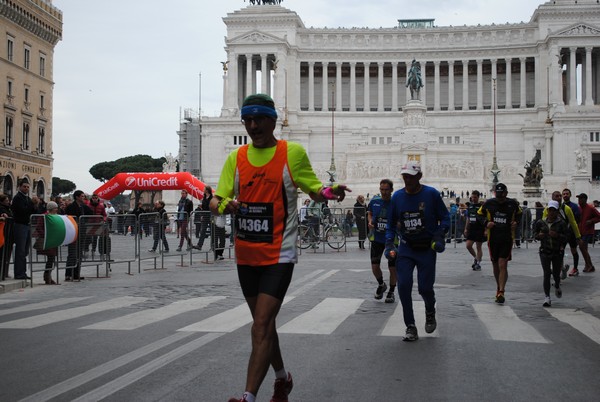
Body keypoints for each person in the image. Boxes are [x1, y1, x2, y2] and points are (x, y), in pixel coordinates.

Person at [211, 93, 350, 402]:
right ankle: (282, 378)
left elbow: (314, 189)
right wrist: (223, 204)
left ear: (273, 120)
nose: (252, 125)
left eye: (258, 119)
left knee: (260, 324)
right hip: (246, 254)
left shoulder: (292, 153)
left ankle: (248, 397)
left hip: (279, 253)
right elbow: (216, 199)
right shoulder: (236, 157)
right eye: (247, 120)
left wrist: (330, 191)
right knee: (265, 324)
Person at [385, 161, 449, 342]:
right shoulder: (397, 197)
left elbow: (445, 218)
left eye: (411, 177)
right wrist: (390, 244)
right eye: (405, 176)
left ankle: (430, 310)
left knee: (425, 288)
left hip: (426, 248)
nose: (407, 180)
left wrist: (439, 235)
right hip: (406, 248)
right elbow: (390, 224)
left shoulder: (431, 194)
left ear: (419, 177)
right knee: (403, 286)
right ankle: (410, 326)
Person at [477, 183, 522, 304]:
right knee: (495, 265)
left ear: (506, 194)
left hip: (507, 238)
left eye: (502, 196)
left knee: (503, 264)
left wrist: (516, 222)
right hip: (493, 238)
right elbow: (479, 215)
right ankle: (499, 286)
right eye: (498, 196)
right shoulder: (489, 203)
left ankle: (501, 291)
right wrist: (486, 223)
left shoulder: (512, 203)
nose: (500, 199)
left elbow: (519, 213)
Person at [533, 200, 569, 307]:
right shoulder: (541, 222)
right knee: (547, 273)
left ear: (557, 212)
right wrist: (539, 236)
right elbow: (534, 235)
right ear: (547, 210)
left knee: (556, 274)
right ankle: (547, 297)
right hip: (545, 251)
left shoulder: (561, 223)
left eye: (554, 210)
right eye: (550, 210)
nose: (551, 212)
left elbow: (566, 237)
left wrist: (557, 235)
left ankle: (557, 285)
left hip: (557, 252)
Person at [367, 179, 397, 303]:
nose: (384, 192)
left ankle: (391, 292)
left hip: (392, 240)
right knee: (374, 266)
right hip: (377, 238)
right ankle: (381, 284)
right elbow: (369, 212)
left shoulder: (396, 203)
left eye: (386, 190)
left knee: (393, 268)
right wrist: (370, 221)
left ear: (391, 190)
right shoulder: (374, 201)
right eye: (382, 190)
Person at [10, 178, 36, 280]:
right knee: (20, 250)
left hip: (27, 225)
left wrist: (35, 205)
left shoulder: (27, 198)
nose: (26, 188)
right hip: (20, 225)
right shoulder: (18, 198)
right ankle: (19, 273)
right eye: (24, 186)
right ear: (20, 187)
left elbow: (33, 210)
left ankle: (23, 272)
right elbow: (22, 210)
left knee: (25, 251)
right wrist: (31, 204)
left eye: (28, 187)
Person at [65, 190, 93, 281]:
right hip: (73, 231)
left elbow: (91, 213)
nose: (83, 198)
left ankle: (76, 273)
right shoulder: (70, 207)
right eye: (82, 196)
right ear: (77, 197)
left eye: (84, 196)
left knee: (79, 254)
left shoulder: (84, 207)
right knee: (72, 253)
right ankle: (68, 274)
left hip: (82, 231)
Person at [576, 193, 600, 273]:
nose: (579, 200)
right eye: (579, 199)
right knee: (584, 248)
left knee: (582, 247)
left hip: (588, 231)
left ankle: (589, 265)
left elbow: (599, 217)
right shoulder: (579, 208)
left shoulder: (590, 208)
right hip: (581, 231)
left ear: (585, 199)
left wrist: (591, 221)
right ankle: (589, 265)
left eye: (581, 199)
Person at [562, 188, 583, 277]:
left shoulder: (574, 206)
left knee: (573, 250)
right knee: (560, 250)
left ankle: (575, 268)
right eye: (564, 194)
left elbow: (577, 220)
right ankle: (561, 268)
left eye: (567, 194)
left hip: (571, 233)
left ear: (570, 195)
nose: (565, 195)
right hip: (562, 233)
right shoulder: (560, 206)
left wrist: (577, 234)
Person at [464, 190, 486, 271]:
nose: (473, 199)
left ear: (478, 197)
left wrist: (485, 230)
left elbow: (485, 218)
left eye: (475, 197)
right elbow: (468, 218)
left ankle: (478, 264)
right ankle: (476, 258)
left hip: (480, 228)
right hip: (472, 228)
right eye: (472, 197)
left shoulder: (482, 206)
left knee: (478, 247)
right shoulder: (470, 206)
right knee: (468, 245)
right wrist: (466, 228)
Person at [0, 193, 14, 280]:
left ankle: (5, 272)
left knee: (7, 254)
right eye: (6, 200)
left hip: (8, 233)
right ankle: (3, 272)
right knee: (3, 254)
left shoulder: (8, 208)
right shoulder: (2, 208)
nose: (8, 202)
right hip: (4, 233)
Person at [194, 186, 213, 250]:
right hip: (205, 216)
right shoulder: (204, 198)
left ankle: (213, 246)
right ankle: (199, 245)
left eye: (204, 189)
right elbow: (203, 207)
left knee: (212, 231)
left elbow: (212, 207)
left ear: (207, 190)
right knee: (203, 231)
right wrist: (202, 215)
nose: (203, 190)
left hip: (210, 216)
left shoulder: (211, 198)